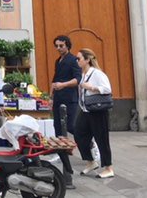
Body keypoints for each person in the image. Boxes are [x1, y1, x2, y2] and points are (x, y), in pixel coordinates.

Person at [75, 48, 114, 179]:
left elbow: (107, 89)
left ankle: (108, 168)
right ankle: (90, 161)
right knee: (79, 135)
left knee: (101, 139)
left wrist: (91, 87)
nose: (77, 61)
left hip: (98, 111)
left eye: (79, 58)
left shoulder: (97, 73)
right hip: (86, 110)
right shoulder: (84, 74)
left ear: (87, 60)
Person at [50, 34, 81, 189]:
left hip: (69, 98)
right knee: (57, 128)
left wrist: (63, 85)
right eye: (56, 46)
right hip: (58, 98)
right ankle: (62, 153)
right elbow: (54, 79)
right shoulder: (58, 61)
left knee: (69, 126)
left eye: (61, 46)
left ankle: (89, 144)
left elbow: (77, 79)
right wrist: (51, 97)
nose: (58, 48)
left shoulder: (73, 60)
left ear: (67, 45)